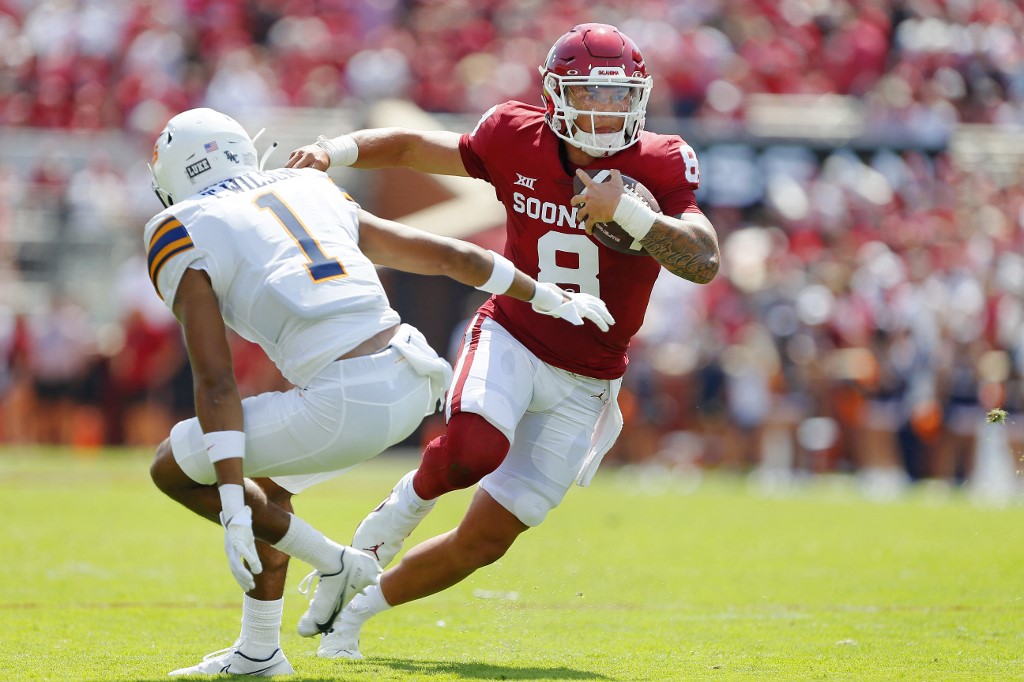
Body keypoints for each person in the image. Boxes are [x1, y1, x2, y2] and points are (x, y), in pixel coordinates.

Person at [286, 22, 720, 660]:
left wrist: (631, 213)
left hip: (590, 376)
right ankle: (393, 517)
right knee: (472, 449)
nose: (604, 112)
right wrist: (334, 150)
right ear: (553, 96)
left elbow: (703, 259)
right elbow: (409, 148)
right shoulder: (516, 137)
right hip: (514, 332)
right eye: (588, 96)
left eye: (616, 96)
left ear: (639, 98)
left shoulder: (657, 162)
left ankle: (353, 613)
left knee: (483, 542)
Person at [145, 107, 614, 677]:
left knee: (174, 466)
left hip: (345, 398)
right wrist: (552, 297)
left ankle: (335, 562)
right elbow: (450, 256)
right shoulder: (304, 185)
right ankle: (259, 650)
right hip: (412, 374)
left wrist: (231, 510)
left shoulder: (179, 226)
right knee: (266, 489)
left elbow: (214, 379)